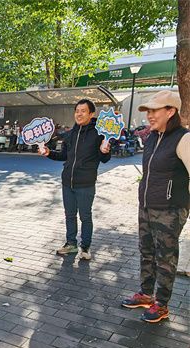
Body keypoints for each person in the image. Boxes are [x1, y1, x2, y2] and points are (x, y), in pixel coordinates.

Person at [121, 90, 190, 323]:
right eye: (148, 111)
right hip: (147, 205)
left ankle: (161, 304)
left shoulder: (183, 138)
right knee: (146, 251)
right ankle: (146, 294)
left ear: (170, 111)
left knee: (165, 257)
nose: (149, 115)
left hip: (170, 209)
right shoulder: (152, 137)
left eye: (154, 110)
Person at [39, 99, 111, 260]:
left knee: (85, 217)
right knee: (69, 216)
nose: (79, 114)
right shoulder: (70, 133)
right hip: (67, 183)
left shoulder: (99, 133)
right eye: (77, 111)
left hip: (86, 184)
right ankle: (71, 244)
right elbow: (63, 155)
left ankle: (85, 247)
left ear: (91, 114)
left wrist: (104, 151)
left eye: (83, 111)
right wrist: (49, 153)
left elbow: (105, 159)